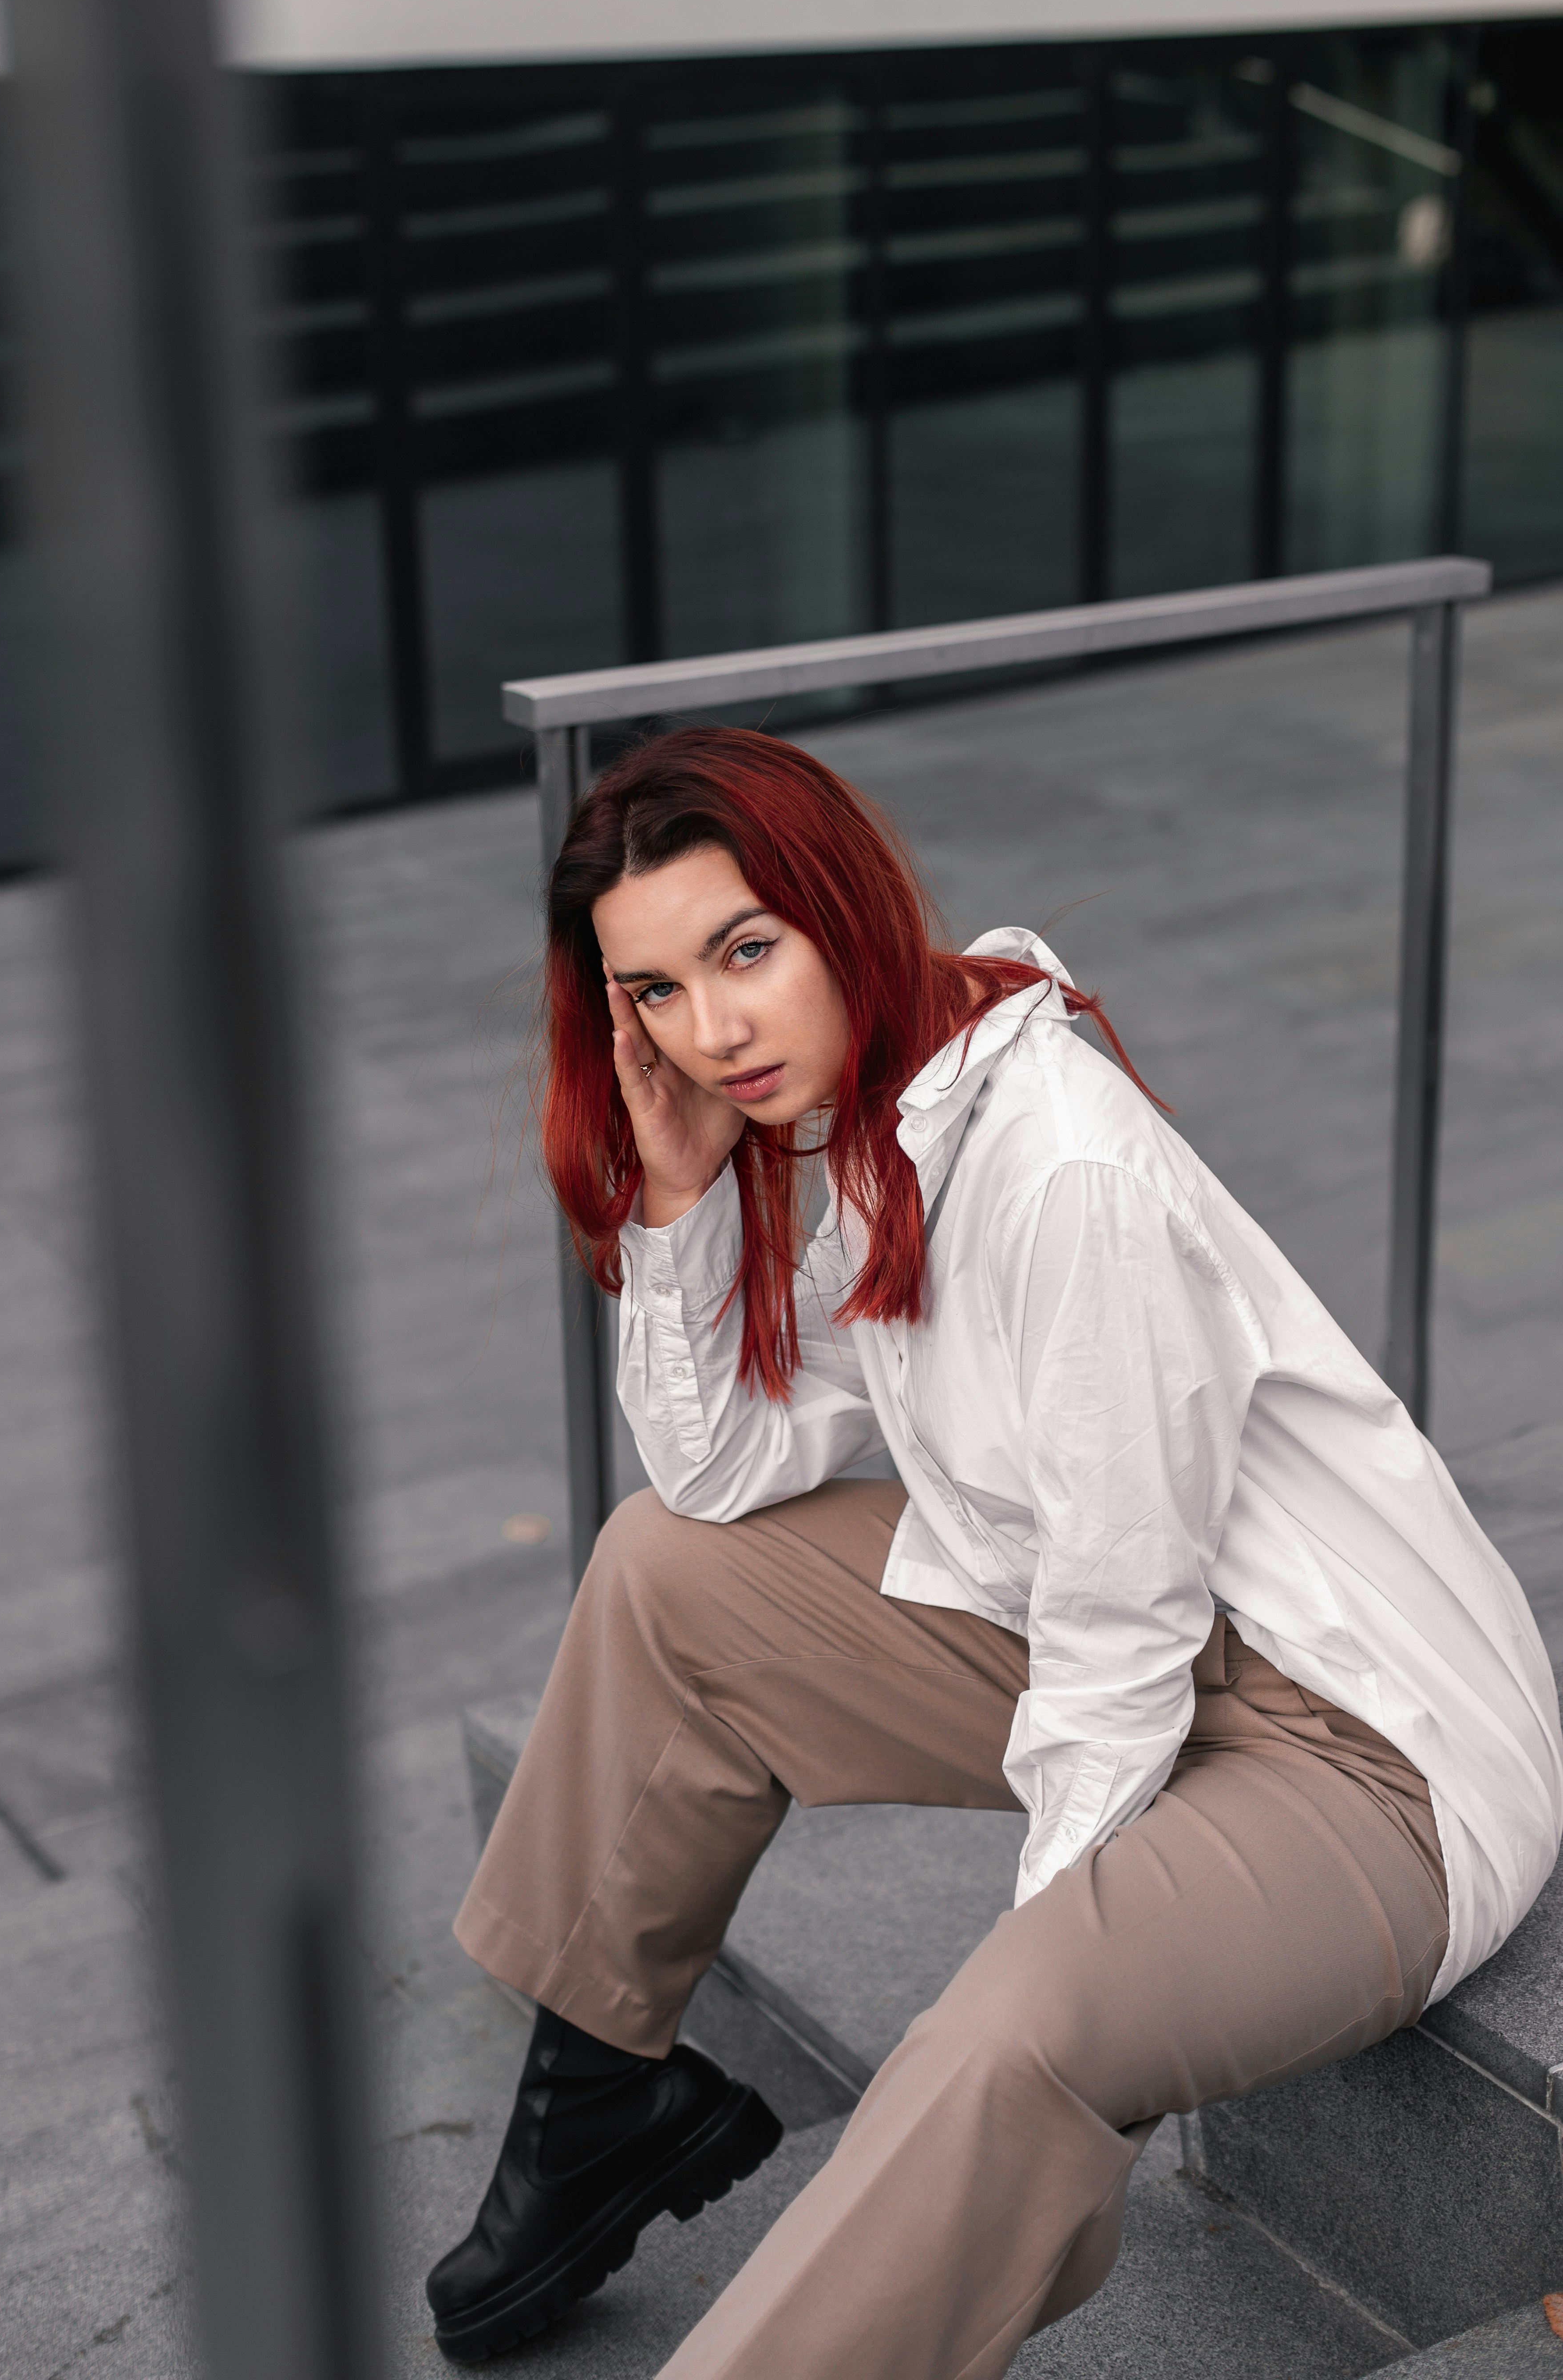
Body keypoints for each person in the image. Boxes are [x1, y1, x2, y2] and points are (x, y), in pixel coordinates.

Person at [425, 727, 1562, 2378]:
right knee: (662, 1575)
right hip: (1136, 1637)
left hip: (1368, 1749)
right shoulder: (867, 1121)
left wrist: (1054, 1964)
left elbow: (1124, 1632)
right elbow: (720, 1474)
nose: (713, 1029)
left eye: (745, 951)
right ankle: (601, 2107)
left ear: (840, 905)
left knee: (1008, 2038)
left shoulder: (1061, 1169)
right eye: (656, 992)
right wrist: (677, 1201)